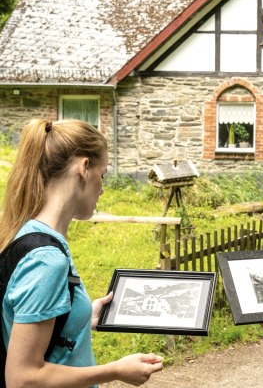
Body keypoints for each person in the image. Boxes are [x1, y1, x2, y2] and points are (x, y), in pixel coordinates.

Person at [0, 119, 164, 387]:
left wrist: (81, 315)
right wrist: (115, 370)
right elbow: (23, 378)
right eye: (104, 173)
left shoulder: (30, 233)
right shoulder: (46, 259)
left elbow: (28, 328)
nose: (103, 187)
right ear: (84, 168)